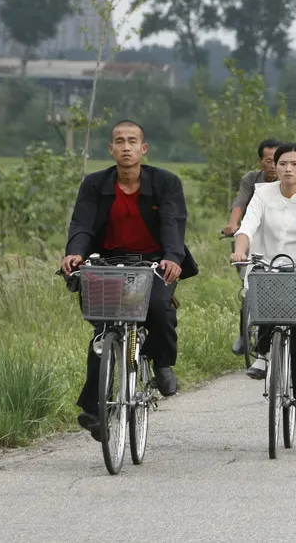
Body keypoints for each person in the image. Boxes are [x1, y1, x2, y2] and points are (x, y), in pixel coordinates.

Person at [61, 120, 199, 439]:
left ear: (143, 148)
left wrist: (172, 258)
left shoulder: (165, 183)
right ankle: (95, 408)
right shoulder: (95, 184)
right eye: (119, 141)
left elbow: (173, 223)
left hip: (154, 263)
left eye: (132, 141)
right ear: (110, 149)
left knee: (161, 309)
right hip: (106, 264)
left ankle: (162, 362)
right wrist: (75, 253)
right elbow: (80, 224)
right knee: (103, 333)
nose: (126, 147)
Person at [230, 143, 296, 438]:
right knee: (263, 307)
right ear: (274, 168)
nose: (288, 169)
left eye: (294, 163)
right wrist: (240, 251)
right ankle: (264, 350)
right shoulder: (263, 194)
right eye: (282, 164)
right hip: (267, 267)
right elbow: (247, 226)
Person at [223, 138, 281, 356]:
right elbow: (240, 203)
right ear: (261, 162)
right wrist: (233, 224)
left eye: (279, 160)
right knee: (248, 287)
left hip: (282, 239)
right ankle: (244, 332)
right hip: (252, 237)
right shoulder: (252, 180)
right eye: (269, 160)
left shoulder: (294, 180)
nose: (274, 166)